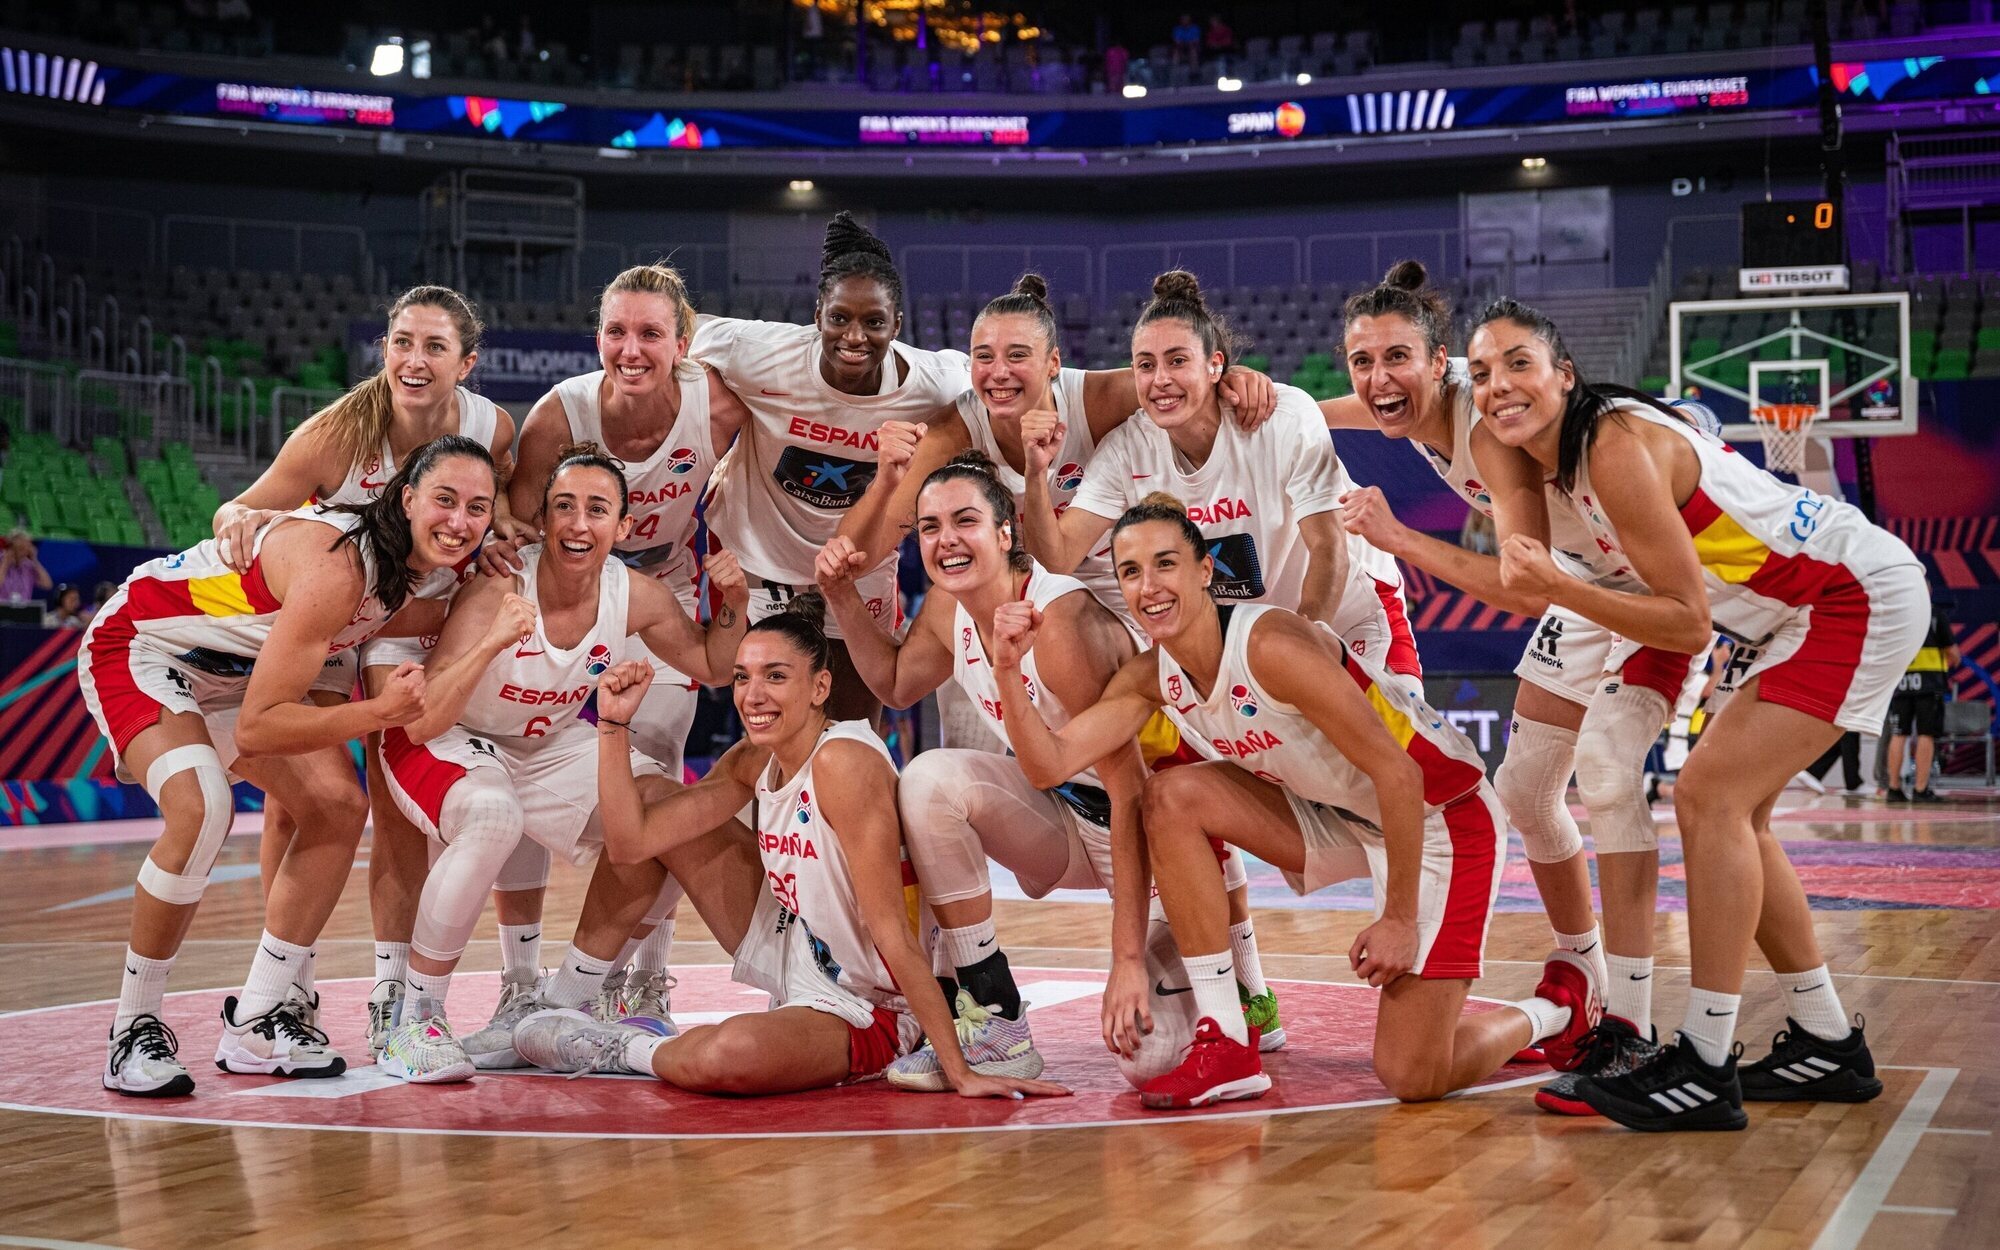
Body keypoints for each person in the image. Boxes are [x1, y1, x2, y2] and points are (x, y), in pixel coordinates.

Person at [1470, 297, 1928, 1130]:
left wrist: (1560, 588)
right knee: (1738, 815)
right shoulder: (1567, 456)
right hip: (1791, 612)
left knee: (1708, 798)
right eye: (1481, 374)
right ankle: (1826, 1037)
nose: (1498, 385)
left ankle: (1706, 1062)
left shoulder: (1609, 448)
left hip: (1847, 595)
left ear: (1563, 375)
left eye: (1517, 364)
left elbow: (1686, 620)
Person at [989, 495, 1599, 1108]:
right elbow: (1050, 762)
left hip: (1443, 816)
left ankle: (1556, 1009)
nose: (1149, 586)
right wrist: (1008, 671)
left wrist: (1396, 917)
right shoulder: (1153, 676)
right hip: (1339, 816)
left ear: (1205, 571)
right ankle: (1227, 1038)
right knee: (1169, 797)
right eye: (1131, 572)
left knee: (1414, 1076)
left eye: (1166, 564)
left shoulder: (1271, 645)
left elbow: (1398, 775)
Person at [1325, 261, 1704, 1090]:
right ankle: (1585, 977)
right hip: (1585, 577)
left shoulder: (1487, 424)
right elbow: (1355, 404)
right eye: (1363, 362)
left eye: (1397, 360)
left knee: (1604, 775)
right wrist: (1268, 405)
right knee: (1529, 790)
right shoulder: (1414, 399)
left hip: (1647, 583)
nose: (1380, 380)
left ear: (1440, 363)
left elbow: (1516, 582)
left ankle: (1632, 1021)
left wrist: (1400, 539)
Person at [507, 595, 1072, 1102]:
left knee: (728, 1057)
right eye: (743, 677)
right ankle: (568, 997)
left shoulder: (844, 765)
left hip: (873, 1002)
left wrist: (959, 1070)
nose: (754, 696)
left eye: (776, 676)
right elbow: (631, 844)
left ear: (819, 688)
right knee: (656, 798)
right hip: (798, 941)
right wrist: (612, 726)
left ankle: (611, 1048)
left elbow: (893, 936)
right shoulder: (755, 757)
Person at [79, 435, 497, 1096]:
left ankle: (256, 1018)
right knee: (203, 808)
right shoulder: (338, 567)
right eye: (445, 499)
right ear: (406, 497)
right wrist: (377, 713)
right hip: (145, 648)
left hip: (235, 678)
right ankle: (133, 1028)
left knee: (336, 805)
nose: (460, 521)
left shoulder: (420, 572)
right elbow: (259, 726)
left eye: (478, 508)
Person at [372, 446, 751, 1081]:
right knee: (493, 817)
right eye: (564, 508)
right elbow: (422, 718)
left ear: (623, 527)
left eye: (597, 510)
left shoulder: (634, 594)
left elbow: (714, 665)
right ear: (542, 521)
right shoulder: (500, 584)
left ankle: (556, 1007)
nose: (578, 524)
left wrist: (732, 597)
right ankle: (416, 1020)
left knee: (662, 813)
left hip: (541, 744)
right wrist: (495, 636)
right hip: (445, 735)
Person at [211, 286, 525, 1046]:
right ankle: (292, 987)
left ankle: (392, 994)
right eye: (402, 343)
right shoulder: (337, 433)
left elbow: (503, 484)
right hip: (334, 614)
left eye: (434, 347)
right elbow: (238, 509)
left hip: (411, 619)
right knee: (301, 800)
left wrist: (509, 512)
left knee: (396, 808)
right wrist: (241, 520)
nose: (414, 361)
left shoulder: (491, 425)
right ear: (385, 349)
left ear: (466, 362)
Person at [458, 262, 756, 1053]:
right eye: (618, 331)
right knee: (519, 755)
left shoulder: (716, 405)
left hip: (659, 596)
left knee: (654, 778)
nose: (632, 348)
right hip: (570, 594)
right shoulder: (562, 415)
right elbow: (518, 525)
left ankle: (644, 981)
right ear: (598, 339)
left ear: (682, 345)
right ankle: (521, 986)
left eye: (651, 333)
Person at [817, 450, 1149, 1086]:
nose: (946, 541)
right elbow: (892, 683)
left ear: (1006, 533)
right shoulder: (949, 608)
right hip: (1059, 810)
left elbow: (1134, 791)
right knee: (930, 781)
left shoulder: (1060, 622)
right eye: (931, 526)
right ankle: (993, 1019)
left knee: (1155, 1060)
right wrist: (839, 595)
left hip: (1147, 828)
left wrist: (1127, 954)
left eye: (964, 521)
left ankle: (1241, 981)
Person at [1021, 270, 1420, 685]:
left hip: (1345, 616)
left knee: (1388, 748)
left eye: (1177, 361)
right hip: (1247, 643)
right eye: (1145, 365)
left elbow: (1328, 548)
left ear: (1215, 366)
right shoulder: (1127, 448)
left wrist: (1300, 648)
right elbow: (1056, 559)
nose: (1160, 379)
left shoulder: (1280, 418)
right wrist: (1035, 473)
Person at [689, 212, 971, 724]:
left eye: (874, 322)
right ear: (817, 313)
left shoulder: (937, 381)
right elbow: (676, 326)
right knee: (769, 724)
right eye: (840, 318)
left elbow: (1013, 382)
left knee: (855, 725)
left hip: (857, 562)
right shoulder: (761, 352)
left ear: (898, 325)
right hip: (758, 554)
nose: (855, 336)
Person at [1884, 598, 1958, 802]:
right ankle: (1920, 789)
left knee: (1898, 735)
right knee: (1926, 734)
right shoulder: (1934, 615)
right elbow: (1951, 651)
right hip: (1929, 684)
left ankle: (1894, 788)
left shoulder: (1896, 615)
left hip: (1901, 684)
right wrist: (1953, 661)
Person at [2, 528, 52, 603]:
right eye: (21, 548)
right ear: (11, 548)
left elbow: (47, 584)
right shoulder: (1, 561)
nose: (25, 552)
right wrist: (5, 563)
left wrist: (35, 560)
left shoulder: (29, 566)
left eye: (27, 547)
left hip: (23, 611)